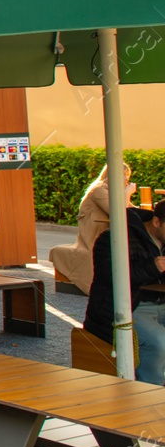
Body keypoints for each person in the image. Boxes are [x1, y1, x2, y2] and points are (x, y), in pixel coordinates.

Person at [84, 202, 165, 384]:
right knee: (160, 342)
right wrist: (153, 266)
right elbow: (110, 275)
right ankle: (152, 394)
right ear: (157, 222)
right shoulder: (114, 238)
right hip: (127, 306)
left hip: (160, 303)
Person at [51, 163, 136, 294]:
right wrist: (128, 193)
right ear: (112, 174)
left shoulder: (113, 191)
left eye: (127, 175)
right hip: (94, 235)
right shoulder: (99, 190)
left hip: (105, 232)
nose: (126, 179)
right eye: (124, 175)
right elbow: (119, 212)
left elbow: (131, 210)